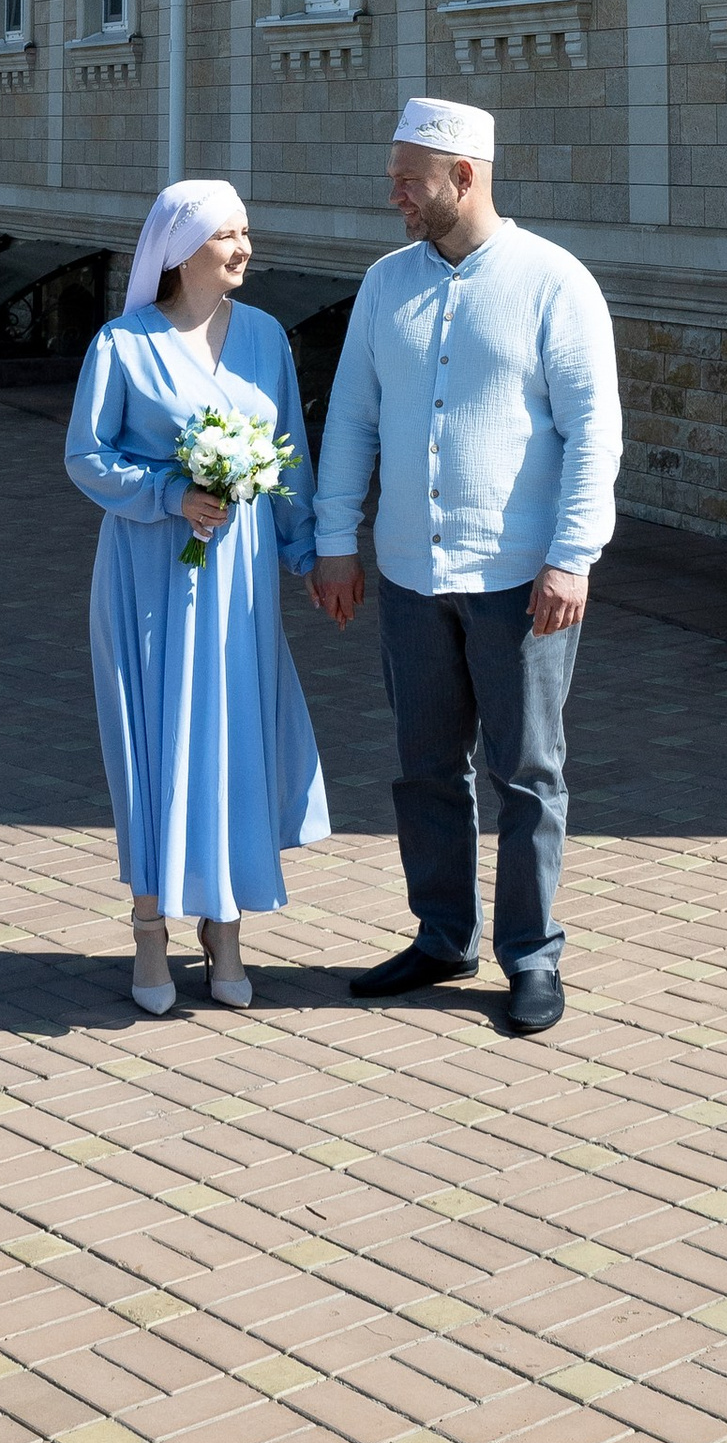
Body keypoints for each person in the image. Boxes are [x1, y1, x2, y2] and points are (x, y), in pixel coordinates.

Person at [308, 97, 621, 1038]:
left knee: (526, 774)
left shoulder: (553, 282)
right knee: (424, 768)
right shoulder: (383, 286)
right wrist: (335, 542)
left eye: (410, 178)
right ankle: (444, 936)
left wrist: (573, 556)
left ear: (465, 176)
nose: (394, 193)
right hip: (409, 574)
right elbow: (354, 418)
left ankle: (531, 956)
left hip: (522, 584)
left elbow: (592, 430)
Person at [65, 178, 328, 1014]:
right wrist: (169, 494)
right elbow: (86, 456)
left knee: (231, 737)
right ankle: (150, 926)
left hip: (240, 583)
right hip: (152, 575)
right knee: (157, 736)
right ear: (181, 249)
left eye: (247, 230)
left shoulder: (264, 338)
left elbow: (290, 458)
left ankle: (224, 923)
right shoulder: (122, 343)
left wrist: (310, 553)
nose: (245, 247)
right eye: (228, 234)